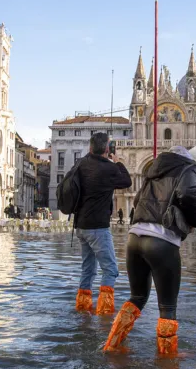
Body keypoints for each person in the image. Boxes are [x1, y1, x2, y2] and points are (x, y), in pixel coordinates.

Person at [103, 145, 196, 354]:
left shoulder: (155, 169)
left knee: (138, 297)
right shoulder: (191, 169)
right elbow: (188, 193)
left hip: (135, 238)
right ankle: (167, 357)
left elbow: (136, 200)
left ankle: (112, 345)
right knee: (167, 307)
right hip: (161, 241)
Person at [75, 133, 132, 315]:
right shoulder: (108, 168)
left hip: (80, 226)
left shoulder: (81, 164)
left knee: (88, 269)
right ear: (107, 150)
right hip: (98, 227)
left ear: (90, 148)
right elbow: (127, 181)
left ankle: (83, 308)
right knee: (111, 270)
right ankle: (105, 313)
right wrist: (118, 162)